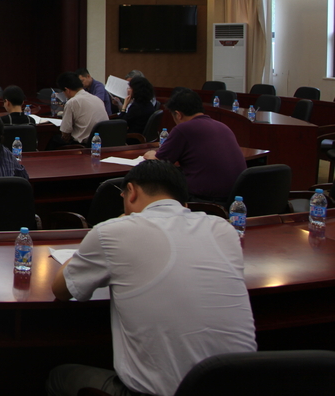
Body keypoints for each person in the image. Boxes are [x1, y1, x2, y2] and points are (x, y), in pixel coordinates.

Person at [47, 160, 256, 396]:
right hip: (243, 385)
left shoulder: (113, 231)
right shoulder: (223, 229)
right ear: (183, 202)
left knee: (59, 377)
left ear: (132, 191)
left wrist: (87, 247)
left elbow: (61, 289)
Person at [143, 88, 246, 202]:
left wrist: (151, 154)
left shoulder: (183, 128)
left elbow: (159, 162)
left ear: (178, 114)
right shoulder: (223, 126)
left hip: (205, 199)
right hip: (235, 197)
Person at [51, 71, 108, 148]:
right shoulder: (97, 99)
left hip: (83, 146)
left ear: (67, 90)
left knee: (53, 140)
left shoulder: (72, 102)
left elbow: (65, 133)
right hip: (102, 143)